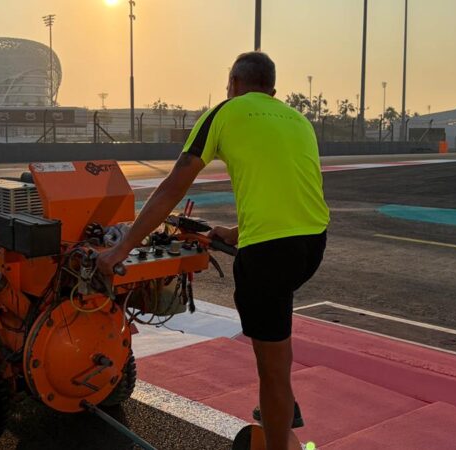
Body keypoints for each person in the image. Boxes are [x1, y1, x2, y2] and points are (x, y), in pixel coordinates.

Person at [97, 51, 329, 450]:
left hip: (271, 254)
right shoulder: (299, 120)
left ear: (234, 84)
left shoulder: (226, 111)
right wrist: (238, 233)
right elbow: (289, 193)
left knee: (270, 369)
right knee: (278, 330)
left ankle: (279, 423)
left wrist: (120, 250)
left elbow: (174, 186)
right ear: (272, 91)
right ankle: (283, 402)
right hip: (312, 243)